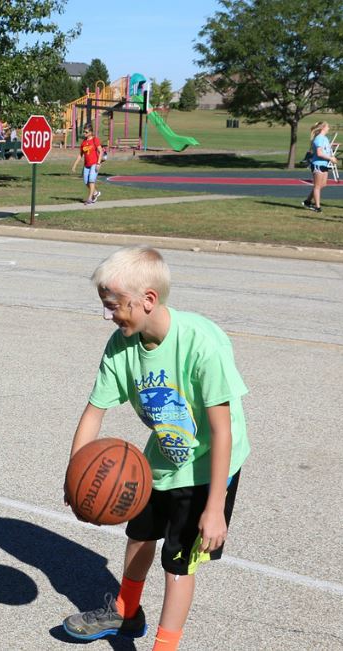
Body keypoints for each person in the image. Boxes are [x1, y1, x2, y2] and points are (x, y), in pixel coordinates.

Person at [62, 246, 250, 651]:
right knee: (140, 535)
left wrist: (215, 508)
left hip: (209, 467)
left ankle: (165, 647)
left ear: (147, 299)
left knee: (177, 563)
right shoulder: (121, 346)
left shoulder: (201, 344)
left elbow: (222, 431)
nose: (108, 315)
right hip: (161, 459)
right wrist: (74, 476)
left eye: (114, 305)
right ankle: (126, 613)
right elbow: (94, 412)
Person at [302, 121, 338, 213]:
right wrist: (330, 158)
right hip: (318, 164)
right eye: (327, 126)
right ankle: (317, 207)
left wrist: (332, 157)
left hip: (324, 164)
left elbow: (326, 151)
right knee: (317, 186)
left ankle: (307, 201)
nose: (329, 128)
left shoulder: (325, 138)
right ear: (323, 128)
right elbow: (319, 153)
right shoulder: (318, 139)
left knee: (323, 185)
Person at [71, 124, 104, 205]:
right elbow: (80, 155)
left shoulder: (95, 140)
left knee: (91, 180)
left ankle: (90, 199)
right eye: (84, 132)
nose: (84, 133)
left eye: (86, 132)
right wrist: (75, 165)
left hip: (94, 164)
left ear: (90, 132)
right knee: (86, 182)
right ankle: (95, 193)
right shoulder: (84, 142)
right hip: (86, 165)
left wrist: (98, 163)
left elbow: (101, 151)